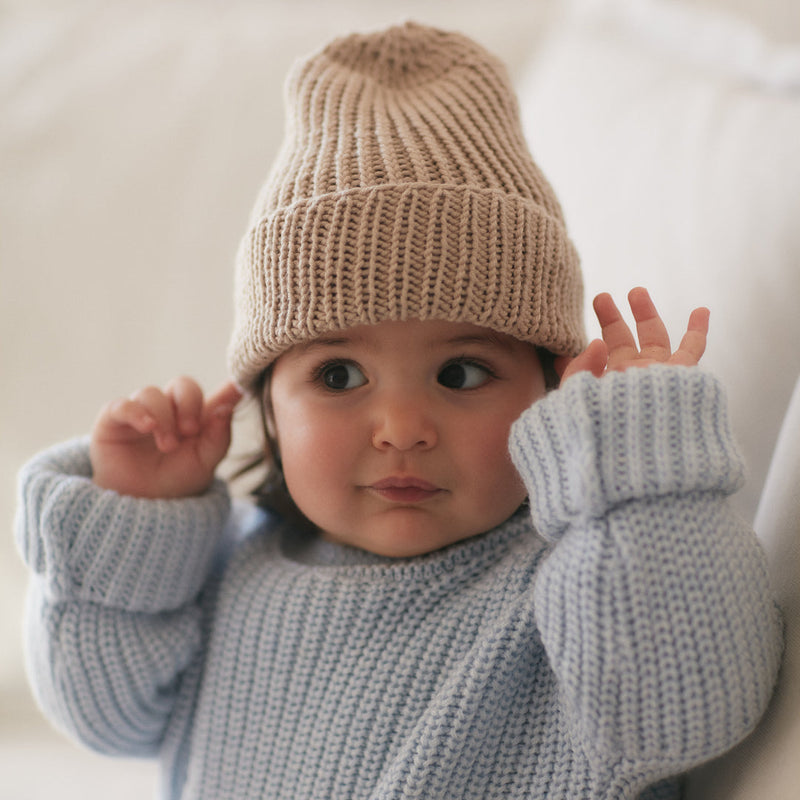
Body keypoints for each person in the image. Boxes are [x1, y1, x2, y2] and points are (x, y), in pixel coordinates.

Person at [16, 21, 782, 800]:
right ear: (268, 406)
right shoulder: (229, 574)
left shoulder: (578, 592)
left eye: (461, 371)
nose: (402, 427)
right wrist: (137, 522)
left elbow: (687, 710)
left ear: (550, 389)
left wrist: (634, 466)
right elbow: (102, 713)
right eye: (340, 374)